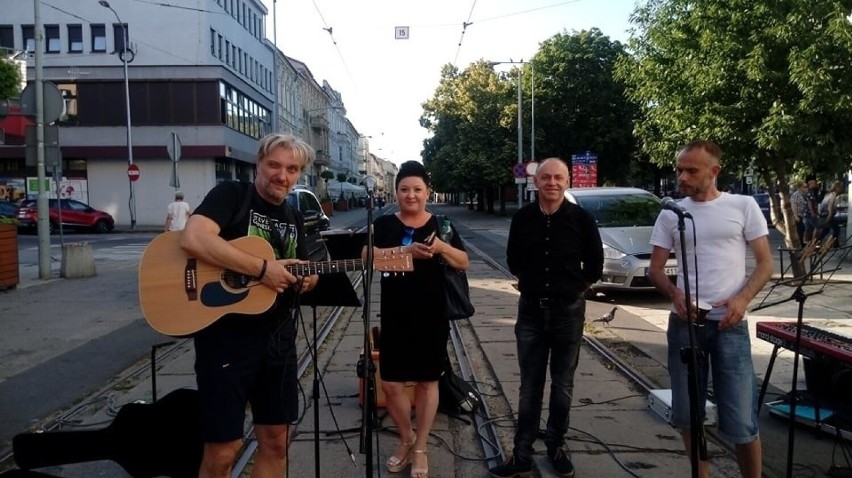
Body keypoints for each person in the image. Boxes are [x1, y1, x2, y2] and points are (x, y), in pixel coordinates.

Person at [179, 133, 319, 478]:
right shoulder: (232, 195)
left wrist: (308, 279)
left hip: (279, 342)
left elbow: (295, 269)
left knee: (276, 440)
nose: (281, 175)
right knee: (224, 450)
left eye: (292, 169)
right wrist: (261, 268)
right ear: (258, 164)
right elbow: (193, 237)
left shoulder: (295, 217)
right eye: (274, 165)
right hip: (226, 342)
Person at [647, 140, 773, 478]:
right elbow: (655, 269)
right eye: (679, 170)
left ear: (714, 171)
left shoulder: (743, 206)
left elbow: (765, 264)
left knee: (742, 417)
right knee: (689, 414)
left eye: (691, 170)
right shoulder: (670, 213)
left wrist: (742, 299)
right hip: (685, 325)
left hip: (729, 325)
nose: (682, 177)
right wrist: (674, 293)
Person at [489, 158, 603, 478]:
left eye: (558, 178)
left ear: (567, 182)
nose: (552, 183)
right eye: (546, 178)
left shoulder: (581, 219)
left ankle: (556, 445)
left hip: (569, 312)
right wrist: (532, 281)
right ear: (536, 182)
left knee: (563, 384)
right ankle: (521, 453)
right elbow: (513, 259)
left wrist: (575, 287)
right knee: (529, 385)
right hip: (531, 312)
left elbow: (595, 264)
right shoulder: (523, 218)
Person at [363, 160, 469, 478]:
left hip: (432, 314)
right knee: (391, 384)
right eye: (405, 189)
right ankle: (405, 437)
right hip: (395, 314)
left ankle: (420, 446)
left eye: (417, 189)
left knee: (427, 382)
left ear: (427, 192)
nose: (411, 195)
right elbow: (367, 257)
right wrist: (404, 252)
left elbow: (464, 262)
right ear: (396, 192)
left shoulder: (442, 223)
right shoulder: (383, 225)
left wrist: (441, 248)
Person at [802, 175, 819, 243]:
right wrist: (813, 213)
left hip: (807, 213)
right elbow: (810, 203)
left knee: (808, 229)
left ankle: (807, 242)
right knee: (818, 227)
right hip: (809, 213)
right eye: (814, 183)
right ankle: (814, 241)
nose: (816, 184)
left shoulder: (809, 192)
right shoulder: (810, 192)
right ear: (810, 183)